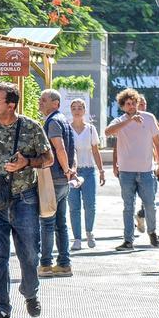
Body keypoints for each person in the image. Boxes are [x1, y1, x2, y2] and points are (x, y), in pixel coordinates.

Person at [0, 83, 52, 318]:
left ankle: (30, 293)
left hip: (24, 198)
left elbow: (48, 159)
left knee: (29, 254)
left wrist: (26, 162)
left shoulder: (30, 127)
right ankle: (1, 306)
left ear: (11, 105)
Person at [105, 89, 159, 251]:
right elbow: (107, 132)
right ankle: (128, 240)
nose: (131, 106)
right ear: (123, 107)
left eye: (134, 103)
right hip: (126, 172)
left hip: (146, 171)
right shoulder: (119, 121)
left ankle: (152, 232)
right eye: (128, 104)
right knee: (128, 206)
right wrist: (129, 121)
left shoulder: (149, 118)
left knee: (150, 204)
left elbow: (158, 144)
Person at [38, 89, 77, 277]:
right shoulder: (64, 121)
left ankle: (45, 264)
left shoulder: (53, 121)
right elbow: (72, 149)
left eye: (44, 100)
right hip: (63, 180)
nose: (40, 103)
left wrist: (67, 169)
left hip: (52, 179)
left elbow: (60, 148)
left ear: (56, 103)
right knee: (61, 223)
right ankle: (64, 263)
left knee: (47, 222)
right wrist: (71, 170)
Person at [68, 98, 105, 251]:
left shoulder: (90, 129)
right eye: (74, 108)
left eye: (79, 108)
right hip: (72, 173)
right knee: (73, 206)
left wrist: (101, 170)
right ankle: (77, 238)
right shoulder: (67, 129)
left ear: (84, 110)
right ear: (71, 110)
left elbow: (95, 151)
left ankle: (89, 231)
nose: (77, 110)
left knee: (90, 205)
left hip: (89, 171)